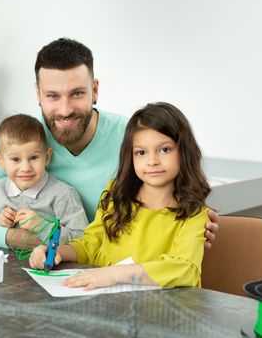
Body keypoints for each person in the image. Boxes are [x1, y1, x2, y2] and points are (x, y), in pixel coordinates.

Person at [0, 38, 219, 249]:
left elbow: (183, 192)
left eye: (76, 94)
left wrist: (192, 221)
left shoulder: (133, 138)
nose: (64, 109)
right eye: (52, 96)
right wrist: (11, 237)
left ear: (95, 90)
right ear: (37, 93)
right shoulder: (18, 141)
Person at [30, 102, 211, 289]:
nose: (152, 161)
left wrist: (116, 274)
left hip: (161, 310)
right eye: (141, 152)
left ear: (184, 150)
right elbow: (91, 245)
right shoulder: (116, 195)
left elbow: (185, 269)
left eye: (164, 150)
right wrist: (57, 252)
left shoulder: (194, 212)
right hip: (108, 304)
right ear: (130, 156)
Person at [0, 114, 88, 245]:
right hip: (6, 262)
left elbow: (81, 238)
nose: (25, 168)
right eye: (15, 159)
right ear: (0, 161)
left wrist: (42, 227)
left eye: (33, 158)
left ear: (47, 157)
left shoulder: (62, 194)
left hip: (50, 263)